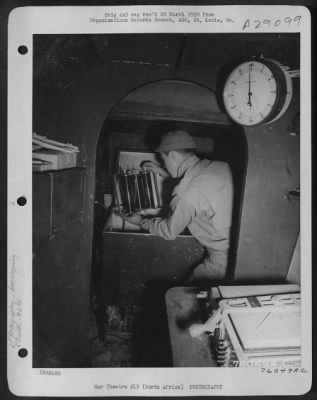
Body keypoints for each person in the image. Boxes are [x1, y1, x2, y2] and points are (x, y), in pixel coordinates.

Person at [124, 130, 233, 282]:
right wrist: (163, 172)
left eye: (163, 161)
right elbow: (199, 186)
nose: (165, 165)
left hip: (223, 258)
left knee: (185, 299)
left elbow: (169, 231)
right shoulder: (219, 166)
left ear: (173, 155)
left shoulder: (185, 192)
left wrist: (139, 221)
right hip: (242, 245)